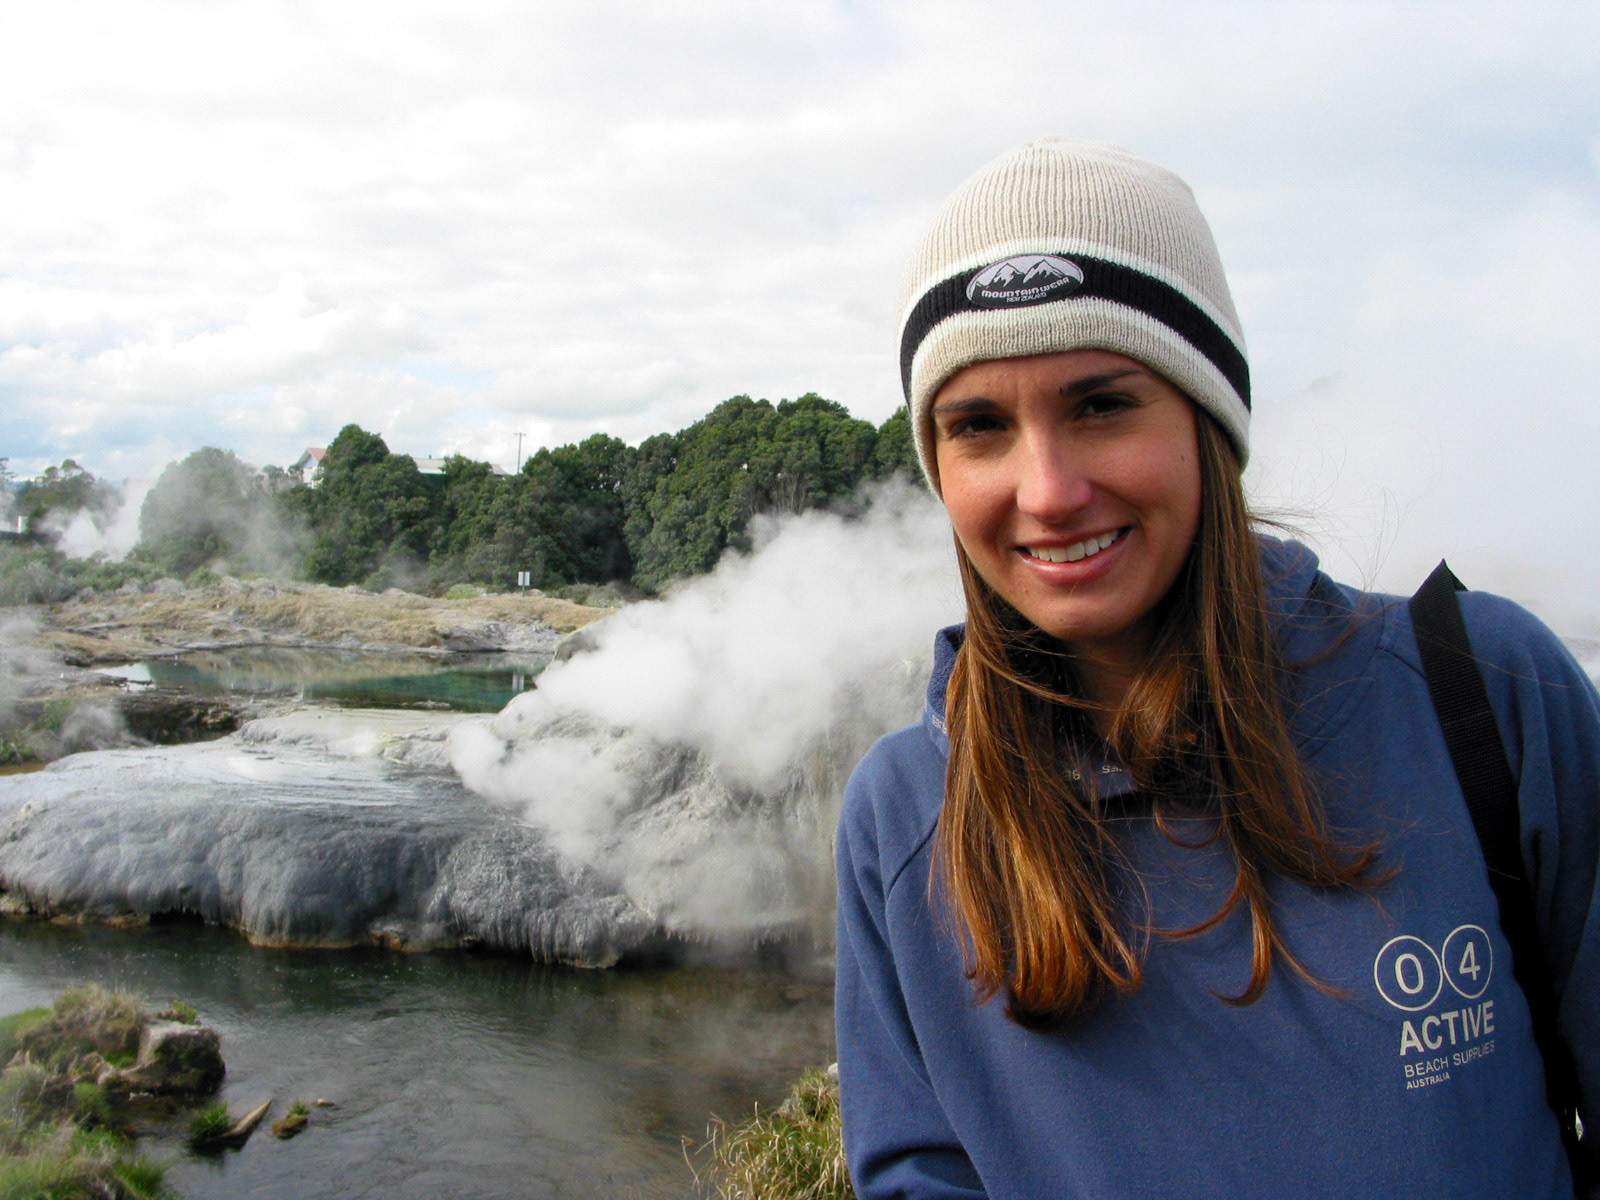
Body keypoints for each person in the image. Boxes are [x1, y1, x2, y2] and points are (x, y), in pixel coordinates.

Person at [833, 138, 1600, 1199]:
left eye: (1100, 403)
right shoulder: (905, 810)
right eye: (979, 427)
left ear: (1209, 423)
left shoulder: (1481, 694)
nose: (1047, 490)